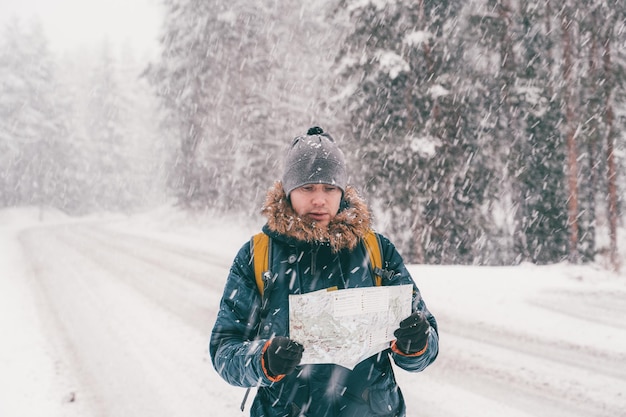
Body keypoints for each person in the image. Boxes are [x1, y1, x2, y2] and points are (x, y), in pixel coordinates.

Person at [209, 126, 439, 417]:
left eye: (329, 188)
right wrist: (263, 361)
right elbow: (224, 350)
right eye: (308, 188)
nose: (319, 199)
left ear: (342, 192)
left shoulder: (376, 250)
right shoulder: (258, 256)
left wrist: (415, 344)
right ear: (289, 191)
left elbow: (426, 344)